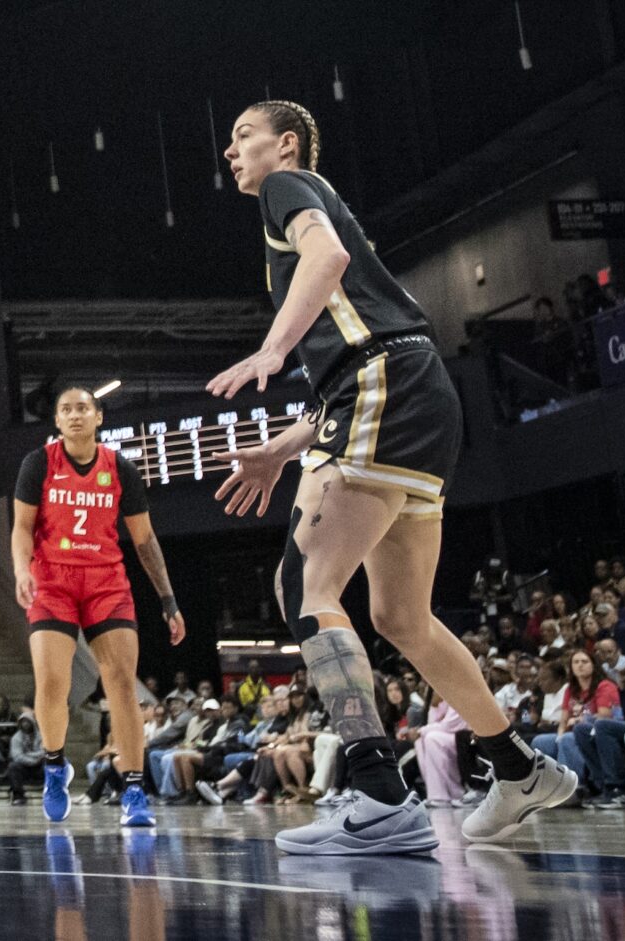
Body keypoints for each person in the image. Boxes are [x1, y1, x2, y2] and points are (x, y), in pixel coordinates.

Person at [211, 100, 575, 854]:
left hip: (382, 385)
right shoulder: (314, 206)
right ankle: (516, 765)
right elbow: (356, 338)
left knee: (305, 586)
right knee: (401, 616)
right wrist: (283, 448)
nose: (230, 148)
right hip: (412, 391)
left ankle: (379, 793)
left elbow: (329, 264)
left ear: (284, 143)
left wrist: (272, 350)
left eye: (243, 134)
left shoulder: (289, 186)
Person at [11, 385, 185, 827]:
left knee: (122, 684)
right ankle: (55, 766)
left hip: (106, 582)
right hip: (53, 581)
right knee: (52, 682)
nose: (74, 415)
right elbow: (22, 528)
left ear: (98, 417)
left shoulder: (119, 468)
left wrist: (168, 599)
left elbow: (144, 540)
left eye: (82, 408)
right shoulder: (39, 463)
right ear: (56, 421)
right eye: (65, 410)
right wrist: (20, 570)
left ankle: (134, 790)